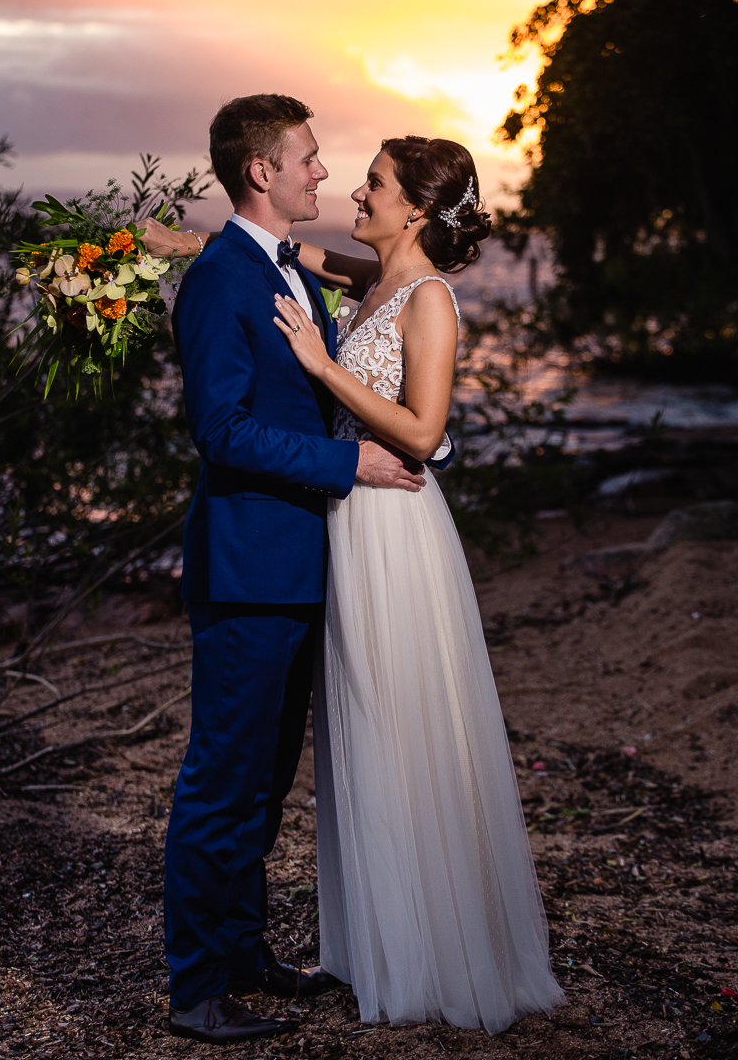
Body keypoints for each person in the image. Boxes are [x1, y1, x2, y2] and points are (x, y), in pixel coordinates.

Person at [137, 94, 427, 1046]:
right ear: (261, 171)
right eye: (307, 157)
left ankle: (248, 952)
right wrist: (350, 464)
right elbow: (223, 431)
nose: (321, 171)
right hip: (249, 570)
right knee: (223, 782)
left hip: (302, 568)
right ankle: (197, 989)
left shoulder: (283, 271)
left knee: (264, 786)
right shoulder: (225, 280)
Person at [270, 135, 567, 1033]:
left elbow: (426, 430)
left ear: (417, 211)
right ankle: (380, 945)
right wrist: (181, 247)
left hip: (396, 529)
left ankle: (439, 954)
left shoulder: (429, 299)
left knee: (400, 717)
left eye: (375, 184)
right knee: (362, 717)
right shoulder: (378, 283)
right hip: (352, 523)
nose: (358, 191)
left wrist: (321, 369)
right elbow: (288, 253)